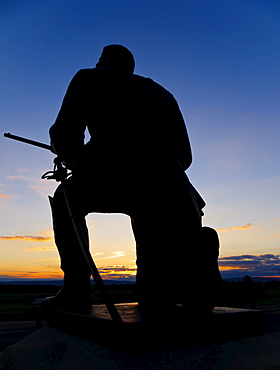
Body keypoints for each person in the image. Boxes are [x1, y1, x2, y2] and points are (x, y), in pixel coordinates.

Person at [42, 44, 218, 315]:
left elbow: (64, 134)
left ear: (102, 62)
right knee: (157, 297)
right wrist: (158, 172)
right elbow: (185, 155)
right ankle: (194, 259)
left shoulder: (88, 78)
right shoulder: (162, 94)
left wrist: (74, 160)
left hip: (114, 174)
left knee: (67, 199)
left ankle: (76, 289)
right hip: (172, 185)